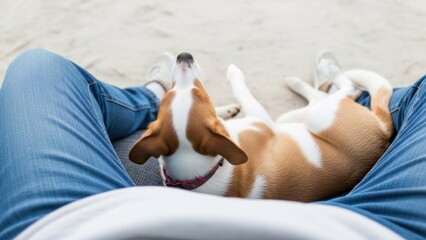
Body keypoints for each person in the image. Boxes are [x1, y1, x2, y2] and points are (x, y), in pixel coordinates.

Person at [0, 49, 424, 239]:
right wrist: (238, 86)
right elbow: (263, 128)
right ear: (219, 141)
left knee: (38, 66)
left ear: (155, 141)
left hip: (84, 227)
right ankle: (348, 94)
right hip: (363, 231)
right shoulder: (228, 152)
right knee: (412, 99)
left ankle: (150, 95)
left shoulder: (179, 151)